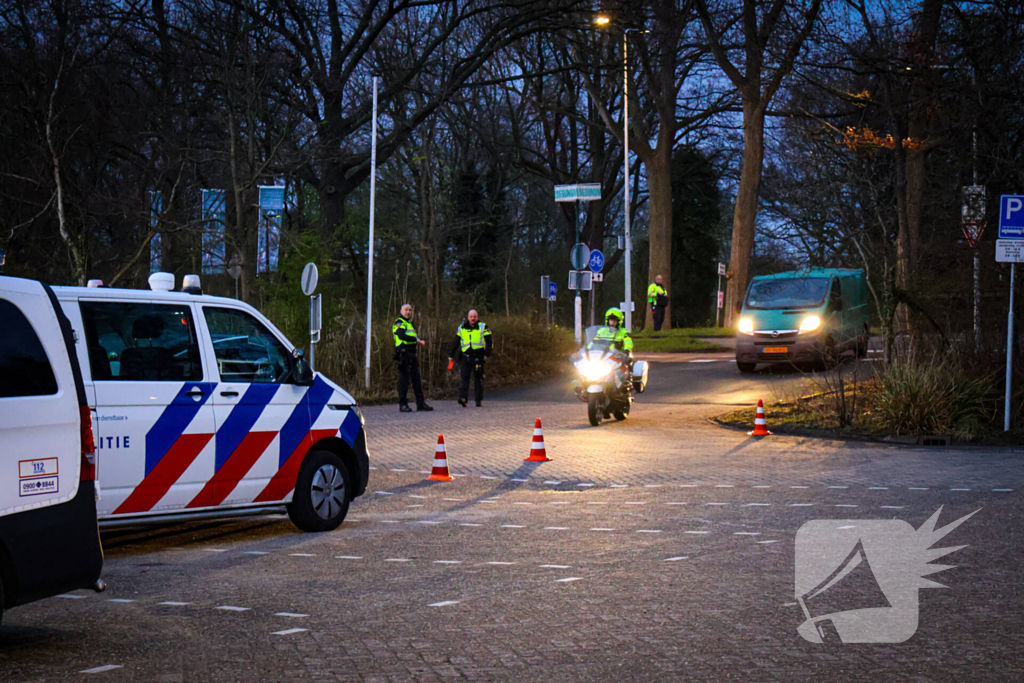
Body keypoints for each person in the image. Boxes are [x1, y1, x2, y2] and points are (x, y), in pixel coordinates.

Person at [393, 303, 433, 412]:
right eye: (406, 310)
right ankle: (403, 404)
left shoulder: (409, 323)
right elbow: (401, 335)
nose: (408, 312)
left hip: (411, 353)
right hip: (403, 353)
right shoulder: (399, 322)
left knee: (416, 379)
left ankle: (420, 404)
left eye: (410, 310)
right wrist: (416, 340)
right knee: (404, 380)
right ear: (401, 311)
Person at [448, 309, 493, 407]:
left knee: (478, 378)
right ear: (468, 317)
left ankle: (478, 400)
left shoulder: (483, 327)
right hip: (466, 357)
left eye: (475, 316)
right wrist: (451, 355)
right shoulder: (462, 327)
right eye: (471, 317)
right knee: (464, 378)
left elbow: (489, 342)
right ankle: (463, 399)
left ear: (477, 317)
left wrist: (487, 354)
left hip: (479, 357)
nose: (473, 318)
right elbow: (456, 342)